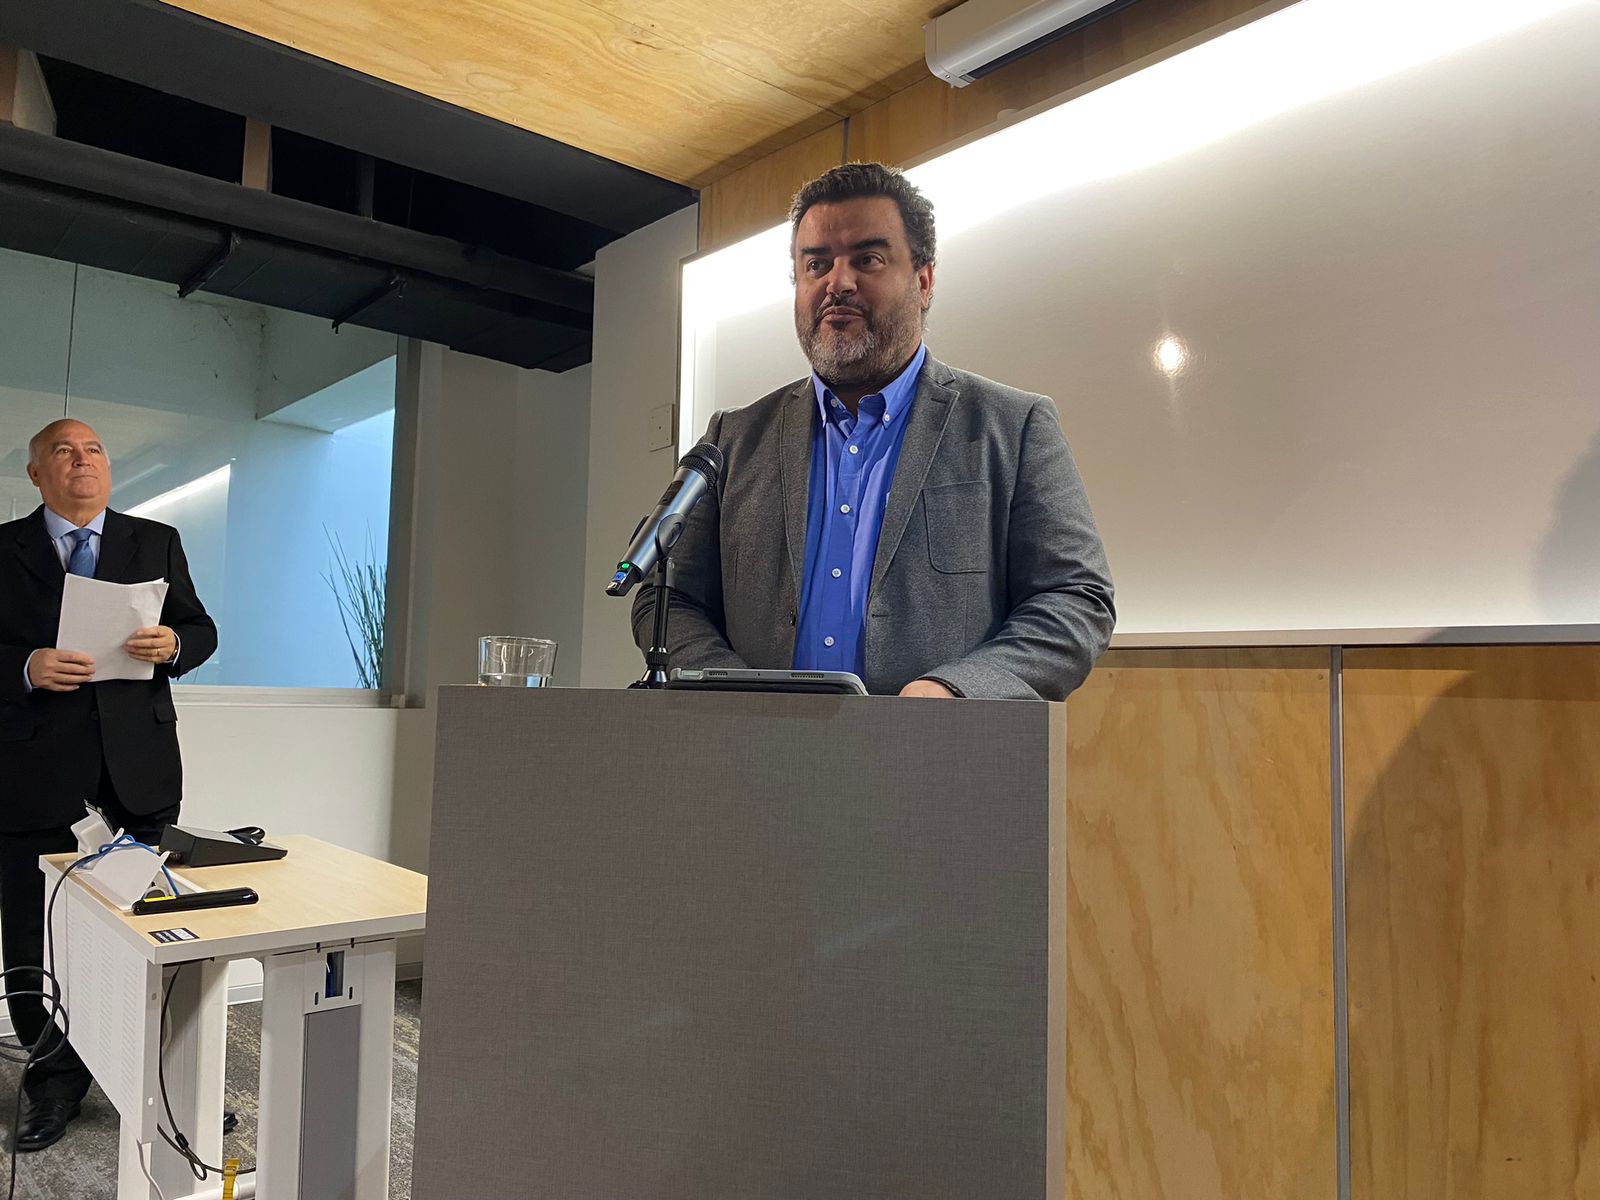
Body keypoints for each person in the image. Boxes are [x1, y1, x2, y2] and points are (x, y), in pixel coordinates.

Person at [632, 162, 1114, 699]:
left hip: (931, 746)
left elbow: (1076, 599)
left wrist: (954, 689)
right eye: (816, 264)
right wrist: (733, 689)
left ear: (923, 281)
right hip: (756, 744)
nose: (837, 283)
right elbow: (666, 599)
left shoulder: (1013, 427)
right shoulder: (732, 439)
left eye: (867, 259)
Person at [0, 418, 216, 1151]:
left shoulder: (155, 541)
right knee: (35, 938)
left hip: (139, 773)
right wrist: (25, 666)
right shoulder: (3, 548)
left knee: (149, 934)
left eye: (93, 449)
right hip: (31, 775)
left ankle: (157, 1084)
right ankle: (54, 1083)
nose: (81, 460)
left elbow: (201, 629)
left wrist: (175, 644)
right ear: (36, 473)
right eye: (63, 451)